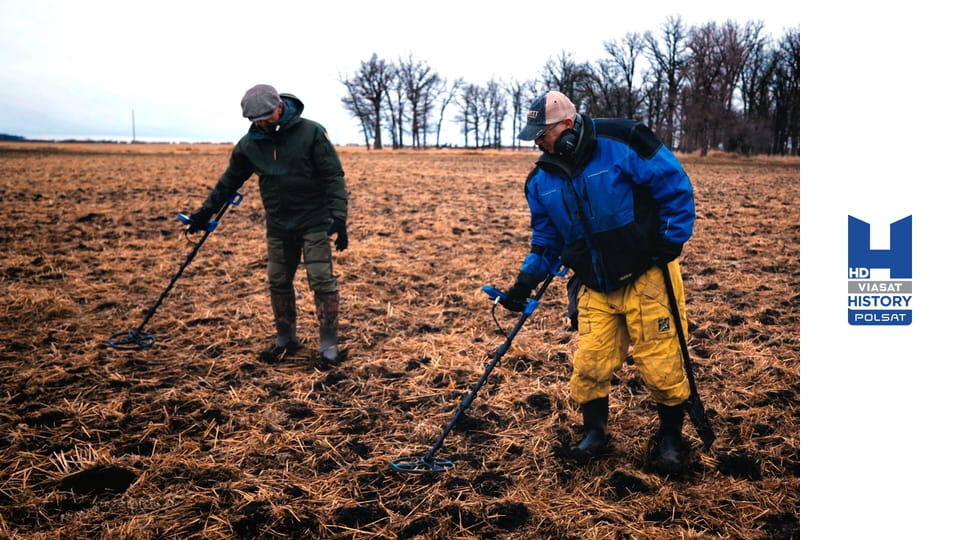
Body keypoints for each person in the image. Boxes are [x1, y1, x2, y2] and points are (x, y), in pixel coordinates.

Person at [500, 90, 696, 474]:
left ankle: (671, 439)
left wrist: (668, 243)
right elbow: (546, 240)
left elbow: (675, 187)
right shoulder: (541, 180)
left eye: (543, 135)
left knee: (661, 363)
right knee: (589, 363)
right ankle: (595, 434)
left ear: (568, 126)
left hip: (647, 274)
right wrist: (524, 282)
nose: (538, 143)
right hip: (593, 281)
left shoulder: (624, 141)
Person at [184, 84, 349, 365]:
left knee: (322, 280)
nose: (261, 123)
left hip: (314, 220)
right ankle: (285, 338)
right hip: (279, 223)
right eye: (255, 119)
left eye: (266, 116)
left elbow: (333, 175)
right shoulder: (250, 144)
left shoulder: (311, 133)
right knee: (277, 280)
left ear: (279, 108)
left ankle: (328, 344)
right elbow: (229, 181)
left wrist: (339, 217)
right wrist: (204, 213)